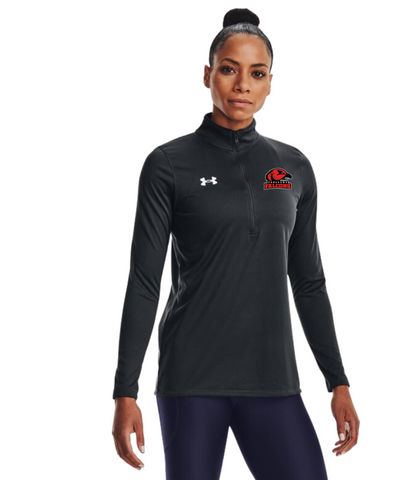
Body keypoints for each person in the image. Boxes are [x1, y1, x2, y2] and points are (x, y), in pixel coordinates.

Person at [112, 7, 360, 480]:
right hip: (191, 379)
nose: (243, 84)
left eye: (257, 73)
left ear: (270, 83)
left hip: (273, 379)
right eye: (229, 69)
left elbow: (309, 282)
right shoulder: (168, 164)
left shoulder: (293, 168)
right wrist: (126, 390)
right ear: (207, 74)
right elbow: (144, 282)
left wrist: (338, 381)